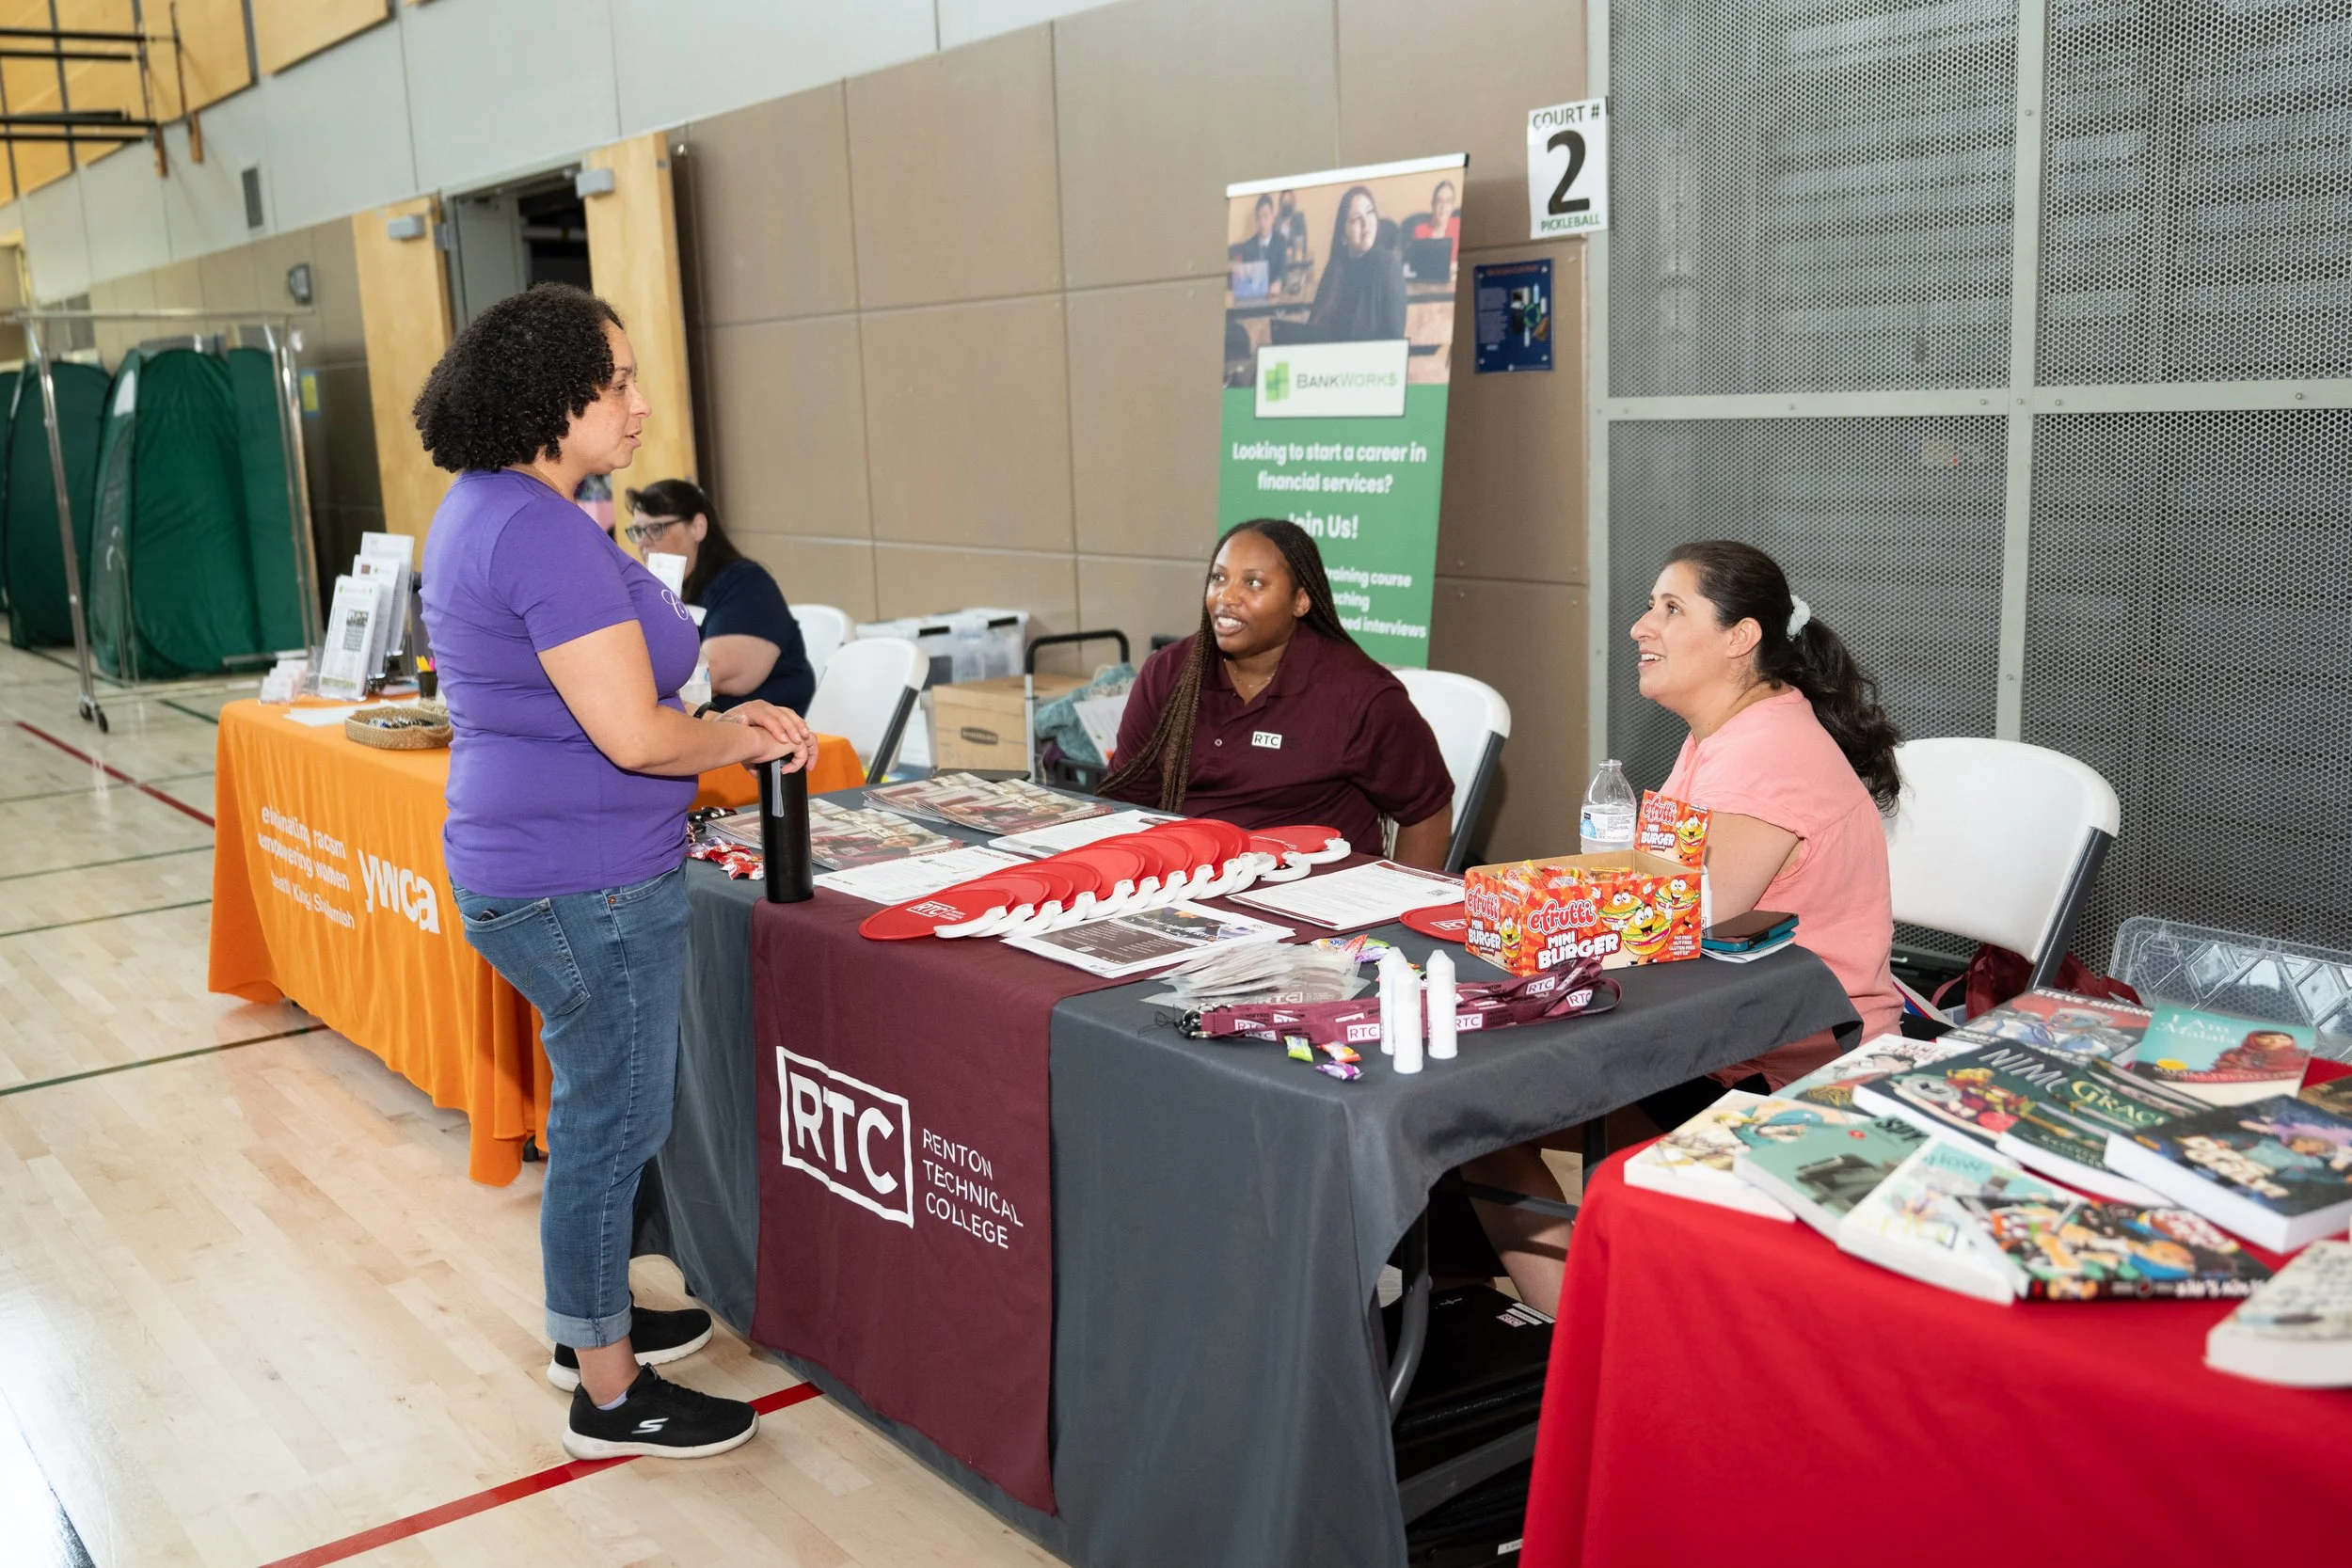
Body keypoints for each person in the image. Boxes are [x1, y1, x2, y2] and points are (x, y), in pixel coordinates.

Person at [414, 282, 812, 1464]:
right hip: (579, 878)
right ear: (550, 398)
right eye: (619, 382)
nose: (641, 406)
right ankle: (606, 1386)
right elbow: (636, 735)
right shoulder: (537, 530)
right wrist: (750, 734)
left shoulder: (494, 507)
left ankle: (589, 1322)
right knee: (608, 1124)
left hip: (539, 860)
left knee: (596, 1108)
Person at [1467, 539, 1903, 1311]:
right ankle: (1543, 1323)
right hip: (1729, 1046)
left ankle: (1583, 1348)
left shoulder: (1768, 750)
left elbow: (1682, 916)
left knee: (1481, 1127)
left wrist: (1535, 915)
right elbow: (1650, 886)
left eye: (1671, 609)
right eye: (1649, 605)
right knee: (1481, 1117)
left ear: (1741, 638)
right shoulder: (1723, 732)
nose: (1642, 626)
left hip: (1801, 1080)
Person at [1098, 518, 1452, 868]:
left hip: (1315, 898)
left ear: (1300, 601)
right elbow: (1124, 802)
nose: (1227, 596)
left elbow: (1426, 813)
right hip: (1188, 888)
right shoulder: (1169, 672)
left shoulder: (1359, 695)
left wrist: (1395, 911)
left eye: (1253, 583)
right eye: (1218, 577)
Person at [623, 478, 816, 715]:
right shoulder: (656, 591)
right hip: (706, 727)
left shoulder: (746, 584)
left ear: (698, 527)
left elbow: (713, 677)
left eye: (656, 529)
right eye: (638, 531)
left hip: (768, 736)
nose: (643, 542)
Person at [1305, 184, 1406, 343]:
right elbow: (1314, 329)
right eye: (1356, 218)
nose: (1365, 224)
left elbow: (1395, 344)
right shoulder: (1334, 267)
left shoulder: (1388, 266)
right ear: (1343, 232)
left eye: (1370, 212)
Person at [1230, 192, 1289, 288]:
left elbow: (1283, 272)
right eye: (1259, 218)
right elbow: (1244, 277)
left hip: (1274, 296)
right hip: (1253, 297)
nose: (1262, 222)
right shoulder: (1248, 246)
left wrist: (1279, 282)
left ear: (1273, 218)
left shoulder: (1280, 242)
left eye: (1266, 216)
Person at [1405, 180, 1460, 247]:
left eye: (1448, 201)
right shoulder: (1419, 232)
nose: (1443, 207)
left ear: (1452, 206)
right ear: (1433, 204)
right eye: (1439, 201)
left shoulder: (1459, 226)